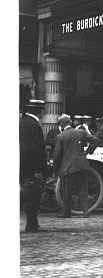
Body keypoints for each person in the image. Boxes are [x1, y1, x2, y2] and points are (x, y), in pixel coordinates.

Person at [52, 116, 99, 217]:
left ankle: (66, 212)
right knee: (83, 189)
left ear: (61, 125)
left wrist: (55, 170)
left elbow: (57, 155)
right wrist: (87, 152)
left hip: (67, 167)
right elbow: (94, 140)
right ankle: (85, 211)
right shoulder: (81, 132)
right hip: (82, 164)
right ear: (71, 123)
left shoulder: (60, 137)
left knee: (67, 191)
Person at [20, 98, 47, 232]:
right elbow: (35, 149)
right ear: (39, 111)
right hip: (30, 168)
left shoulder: (22, 123)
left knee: (21, 194)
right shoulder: (34, 125)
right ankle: (32, 224)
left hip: (20, 165)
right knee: (32, 196)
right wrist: (38, 169)